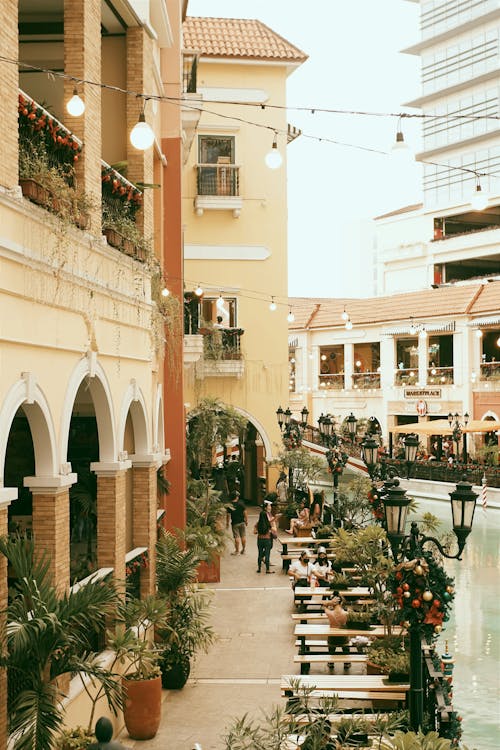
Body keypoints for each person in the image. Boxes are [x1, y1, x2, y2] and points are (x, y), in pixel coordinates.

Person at [323, 592, 351, 670]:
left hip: (332, 640)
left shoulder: (330, 613)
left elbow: (324, 605)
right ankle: (347, 662)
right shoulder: (346, 613)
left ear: (333, 604)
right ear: (341, 602)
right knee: (346, 638)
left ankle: (331, 662)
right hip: (343, 639)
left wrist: (329, 603)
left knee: (331, 640)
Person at [254, 509, 274, 574]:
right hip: (267, 540)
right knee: (267, 555)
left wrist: (258, 531)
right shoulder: (268, 523)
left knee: (260, 554)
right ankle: (267, 569)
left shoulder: (258, 523)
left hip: (260, 540)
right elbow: (272, 530)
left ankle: (259, 569)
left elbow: (254, 532)